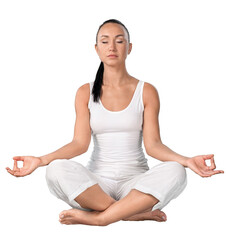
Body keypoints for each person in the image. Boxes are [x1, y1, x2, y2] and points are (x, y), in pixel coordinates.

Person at [6, 19, 224, 227]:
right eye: (105, 41)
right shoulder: (85, 92)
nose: (112, 46)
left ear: (129, 48)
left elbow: (154, 146)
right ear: (96, 48)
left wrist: (187, 161)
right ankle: (131, 213)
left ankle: (100, 218)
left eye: (119, 41)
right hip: (96, 186)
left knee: (177, 170)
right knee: (55, 169)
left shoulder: (146, 91)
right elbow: (79, 144)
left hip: (136, 184)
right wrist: (40, 160)